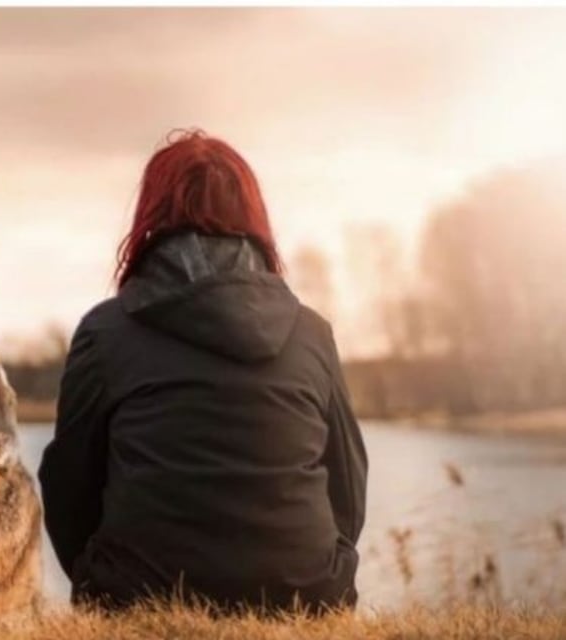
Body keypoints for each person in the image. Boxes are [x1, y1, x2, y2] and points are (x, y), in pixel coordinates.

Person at [37, 129, 368, 614]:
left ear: (151, 216)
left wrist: (99, 577)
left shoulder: (106, 333)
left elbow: (68, 486)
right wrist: (321, 571)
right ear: (253, 217)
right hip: (305, 596)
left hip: (137, 597)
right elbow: (349, 485)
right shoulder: (310, 333)